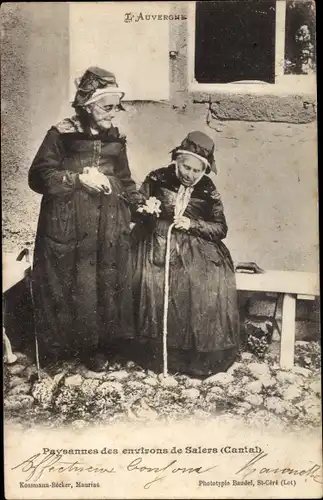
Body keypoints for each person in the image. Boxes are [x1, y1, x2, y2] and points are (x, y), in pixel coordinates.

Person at [28, 67, 143, 371]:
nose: (113, 114)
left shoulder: (115, 137)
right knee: (62, 279)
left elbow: (125, 178)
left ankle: (94, 348)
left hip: (105, 223)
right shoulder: (60, 133)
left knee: (100, 282)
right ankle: (56, 350)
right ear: (88, 105)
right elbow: (39, 176)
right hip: (66, 222)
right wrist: (78, 179)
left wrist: (141, 204)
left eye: (116, 107)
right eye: (107, 107)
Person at [132, 131, 240, 377]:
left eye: (196, 171)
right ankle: (156, 353)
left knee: (200, 283)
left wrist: (193, 225)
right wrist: (147, 209)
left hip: (197, 248)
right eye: (185, 167)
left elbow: (221, 228)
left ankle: (192, 357)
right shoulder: (157, 178)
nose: (189, 175)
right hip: (156, 241)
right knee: (151, 282)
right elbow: (136, 206)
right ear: (177, 160)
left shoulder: (207, 189)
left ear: (204, 171)